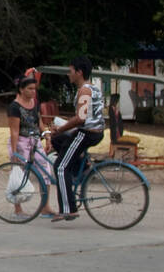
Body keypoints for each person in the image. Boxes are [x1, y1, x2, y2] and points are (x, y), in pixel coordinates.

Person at [48, 57, 106, 223]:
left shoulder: (84, 91)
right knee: (59, 141)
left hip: (86, 133)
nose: (68, 74)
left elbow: (80, 118)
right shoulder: (92, 89)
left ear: (79, 72)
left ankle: (69, 209)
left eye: (70, 71)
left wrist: (60, 128)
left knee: (60, 166)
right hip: (93, 132)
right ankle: (80, 166)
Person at [7, 75, 53, 217]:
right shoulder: (14, 107)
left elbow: (39, 123)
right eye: (30, 89)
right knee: (19, 174)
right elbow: (14, 131)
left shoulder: (34, 103)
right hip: (22, 142)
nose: (33, 92)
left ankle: (45, 206)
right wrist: (14, 152)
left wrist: (47, 136)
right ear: (21, 89)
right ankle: (18, 209)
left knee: (46, 172)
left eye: (34, 89)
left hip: (35, 142)